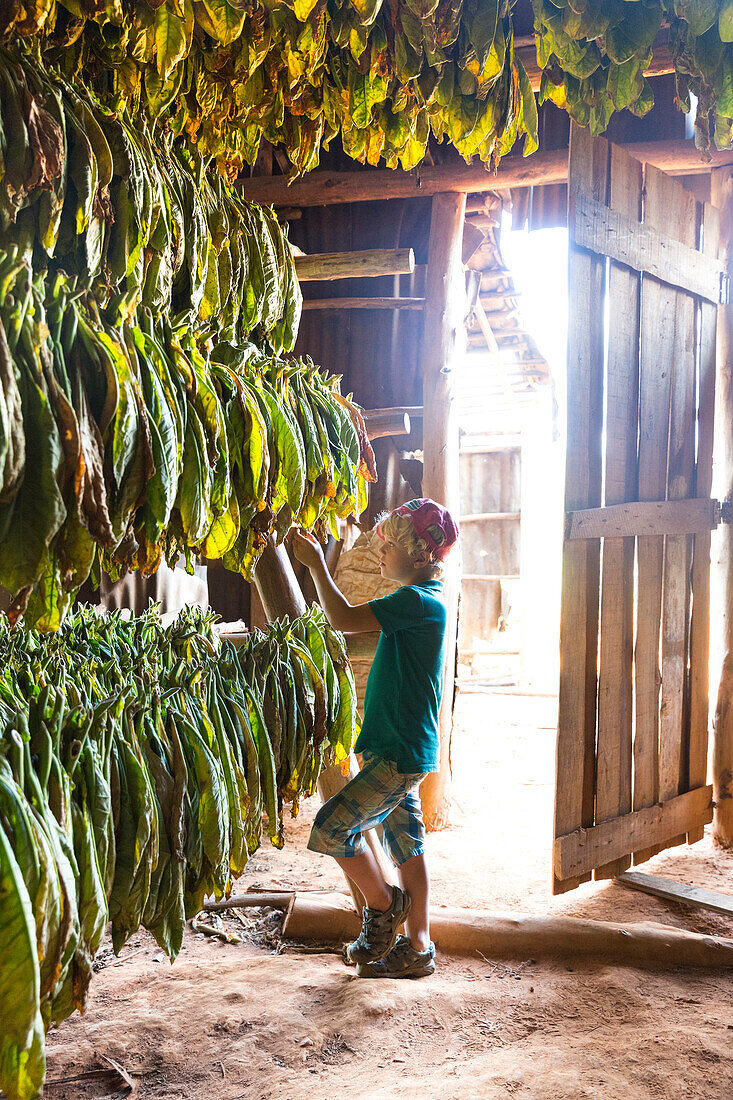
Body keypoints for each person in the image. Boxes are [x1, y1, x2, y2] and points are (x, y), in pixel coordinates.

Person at [292, 498, 458, 979]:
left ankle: (384, 907)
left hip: (397, 754)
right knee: (407, 844)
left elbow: (343, 618)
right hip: (398, 748)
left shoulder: (418, 601)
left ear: (420, 555)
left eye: (391, 544)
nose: (380, 552)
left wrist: (317, 566)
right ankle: (419, 947)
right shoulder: (424, 604)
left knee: (330, 828)